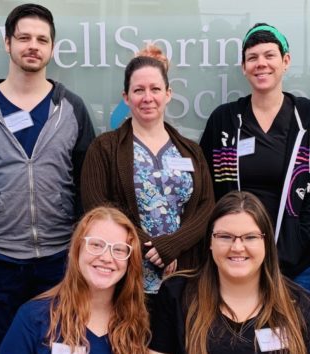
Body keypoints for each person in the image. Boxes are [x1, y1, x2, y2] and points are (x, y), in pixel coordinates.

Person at [0, 3, 96, 347]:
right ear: (7, 43)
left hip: (59, 260)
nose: (33, 45)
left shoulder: (71, 108)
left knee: (62, 344)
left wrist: (79, 250)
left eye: (42, 39)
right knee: (9, 346)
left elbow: (87, 183)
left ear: (51, 48)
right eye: (24, 37)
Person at [198, 23, 310, 294]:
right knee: (239, 334)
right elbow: (206, 187)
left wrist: (296, 244)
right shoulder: (225, 120)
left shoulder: (309, 121)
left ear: (285, 61)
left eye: (269, 55)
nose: (261, 63)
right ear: (244, 67)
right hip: (237, 258)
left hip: (297, 262)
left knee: (294, 334)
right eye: (253, 57)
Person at [81, 45, 214, 295]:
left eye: (155, 89)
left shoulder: (191, 151)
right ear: (126, 96)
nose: (147, 97)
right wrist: (150, 247)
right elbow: (97, 207)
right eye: (138, 90)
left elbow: (206, 207)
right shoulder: (104, 148)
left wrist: (173, 245)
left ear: (168, 93)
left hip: (183, 279)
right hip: (125, 276)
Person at [148, 191, 310, 354]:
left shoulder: (303, 307)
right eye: (225, 237)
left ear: (266, 243)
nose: (237, 247)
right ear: (210, 242)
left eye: (250, 237)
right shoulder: (177, 295)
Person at [0, 207, 150, 354]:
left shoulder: (137, 322)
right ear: (77, 250)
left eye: (119, 249)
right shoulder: (34, 317)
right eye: (96, 245)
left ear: (130, 261)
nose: (106, 258)